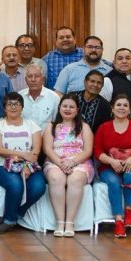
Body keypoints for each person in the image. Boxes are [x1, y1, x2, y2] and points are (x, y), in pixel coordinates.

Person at [95, 95, 131, 238]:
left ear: (130, 109)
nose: (122, 108)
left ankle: (129, 209)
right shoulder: (104, 127)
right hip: (109, 166)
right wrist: (111, 161)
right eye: (118, 105)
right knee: (113, 181)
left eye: (125, 105)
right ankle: (119, 220)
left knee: (129, 175)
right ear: (112, 108)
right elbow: (97, 151)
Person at [0, 92, 46, 234]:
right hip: (1, 165)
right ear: (4, 108)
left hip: (29, 164)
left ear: (22, 107)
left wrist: (26, 166)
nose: (13, 107)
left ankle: (17, 213)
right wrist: (22, 154)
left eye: (17, 104)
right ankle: (9, 220)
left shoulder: (31, 125)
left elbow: (36, 150)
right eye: (9, 104)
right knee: (15, 183)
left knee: (39, 186)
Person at [43, 95, 95, 237]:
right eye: (65, 106)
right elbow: (47, 149)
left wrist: (72, 162)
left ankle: (70, 222)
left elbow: (88, 151)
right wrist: (61, 163)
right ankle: (60, 222)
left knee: (75, 179)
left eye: (71, 107)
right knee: (56, 178)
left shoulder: (84, 127)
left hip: (79, 162)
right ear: (59, 108)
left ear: (77, 110)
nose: (67, 109)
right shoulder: (51, 126)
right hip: (55, 161)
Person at [71, 70, 112, 135]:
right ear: (85, 82)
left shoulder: (105, 105)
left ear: (102, 86)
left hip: (93, 140)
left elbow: (105, 130)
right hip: (67, 138)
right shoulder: (72, 98)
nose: (95, 85)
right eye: (92, 81)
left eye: (99, 83)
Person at [21, 64, 59, 128]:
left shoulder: (54, 97)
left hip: (46, 134)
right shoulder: (20, 96)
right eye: (30, 76)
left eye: (37, 76)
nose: (33, 79)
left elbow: (56, 122)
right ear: (25, 80)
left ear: (43, 79)